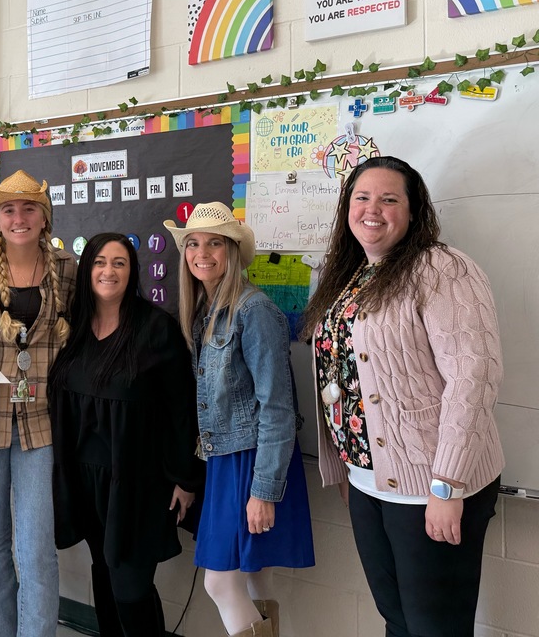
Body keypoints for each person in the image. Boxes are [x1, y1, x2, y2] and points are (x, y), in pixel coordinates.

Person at [301, 156, 503, 637]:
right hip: (370, 483)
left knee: (436, 627)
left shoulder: (439, 268)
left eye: (390, 199)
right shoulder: (351, 276)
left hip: (432, 488)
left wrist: (447, 486)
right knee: (397, 620)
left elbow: (473, 378)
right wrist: (354, 466)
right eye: (362, 198)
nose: (373, 209)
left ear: (413, 212)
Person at [164, 202, 314, 637]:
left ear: (233, 252)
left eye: (215, 243)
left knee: (219, 581)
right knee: (253, 578)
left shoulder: (254, 310)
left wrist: (263, 491)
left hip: (252, 461)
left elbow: (278, 407)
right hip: (226, 459)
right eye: (193, 243)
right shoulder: (205, 312)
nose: (202, 252)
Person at [49, 232, 200, 636]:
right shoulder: (73, 329)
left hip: (138, 484)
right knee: (103, 575)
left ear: (132, 272)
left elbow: (182, 410)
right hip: (85, 482)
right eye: (99, 261)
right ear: (87, 270)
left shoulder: (155, 330)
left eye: (119, 262)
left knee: (130, 586)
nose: (108, 270)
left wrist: (186, 478)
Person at [0, 170, 75, 637]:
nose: (19, 218)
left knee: (37, 548)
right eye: (9, 209)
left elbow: (81, 338)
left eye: (29, 209)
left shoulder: (67, 267)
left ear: (44, 218)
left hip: (41, 421)